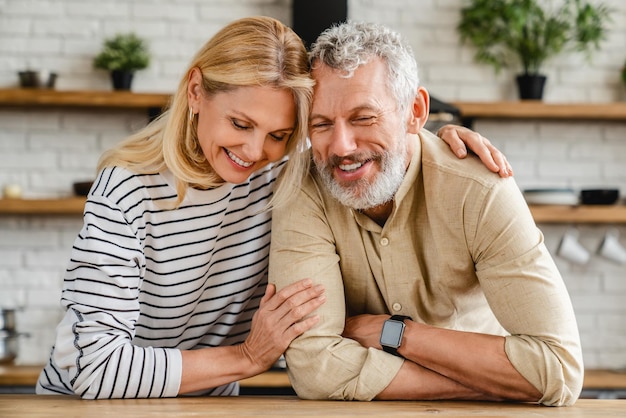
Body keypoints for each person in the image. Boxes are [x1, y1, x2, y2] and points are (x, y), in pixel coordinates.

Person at [35, 16, 510, 399]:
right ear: (196, 91)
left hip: (206, 407)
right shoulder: (128, 189)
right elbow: (92, 367)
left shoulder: (282, 177)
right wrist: (247, 357)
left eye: (279, 135)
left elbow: (371, 139)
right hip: (80, 409)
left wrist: (436, 146)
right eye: (240, 123)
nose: (254, 150)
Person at [268, 21, 583, 407]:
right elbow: (314, 369)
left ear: (414, 112)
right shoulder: (301, 185)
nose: (341, 146)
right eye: (321, 124)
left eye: (364, 118)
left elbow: (559, 370)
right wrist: (493, 381)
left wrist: (395, 334)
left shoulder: (480, 189)